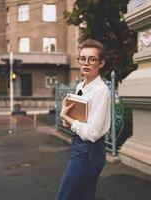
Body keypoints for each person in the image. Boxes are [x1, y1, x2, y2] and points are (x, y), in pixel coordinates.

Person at [56, 39, 111, 200]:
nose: (86, 63)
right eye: (82, 58)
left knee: (64, 197)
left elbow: (92, 133)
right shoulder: (81, 86)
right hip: (80, 147)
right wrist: (70, 121)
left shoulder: (101, 91)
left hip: (89, 151)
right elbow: (83, 119)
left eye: (92, 59)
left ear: (101, 63)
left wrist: (66, 118)